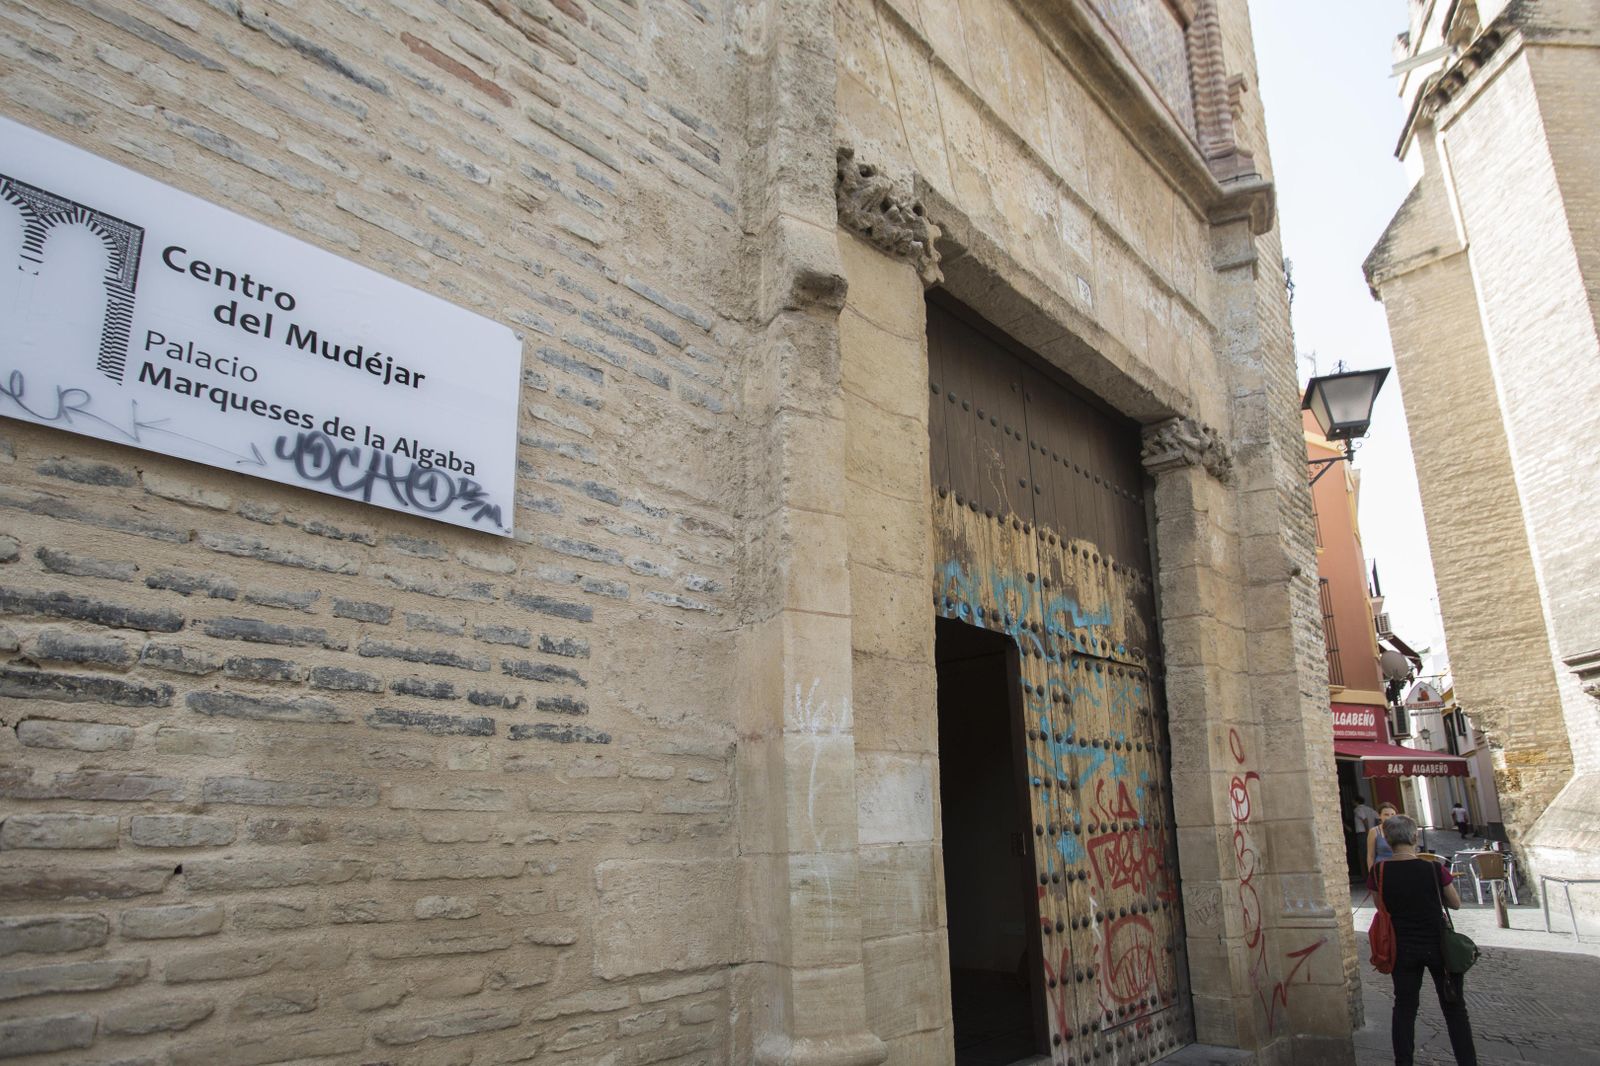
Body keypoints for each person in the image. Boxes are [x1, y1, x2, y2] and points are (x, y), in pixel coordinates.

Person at [1370, 814, 1478, 1065]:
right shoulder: (1433, 868)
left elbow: (1380, 906)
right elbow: (1455, 903)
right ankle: (1467, 1061)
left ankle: (1403, 1061)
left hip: (1402, 946)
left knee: (1405, 1008)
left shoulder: (1380, 871)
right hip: (1438, 945)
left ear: (1387, 839)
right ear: (1414, 837)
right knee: (1454, 1008)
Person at [1367, 801, 1399, 871]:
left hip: (1398, 867)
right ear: (1379, 816)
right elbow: (1370, 856)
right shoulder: (1374, 831)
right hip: (1382, 868)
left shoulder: (1401, 829)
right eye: (1386, 815)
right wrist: (1371, 874)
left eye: (1392, 814)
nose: (1390, 817)